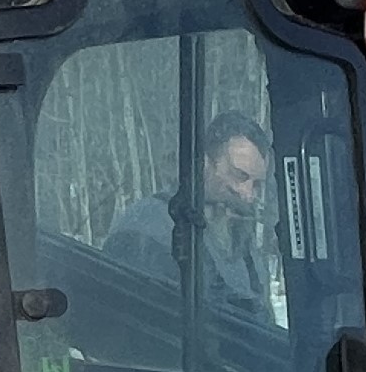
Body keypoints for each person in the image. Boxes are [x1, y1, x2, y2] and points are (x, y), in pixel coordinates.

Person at [103, 111, 275, 322]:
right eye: (239, 175)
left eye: (256, 184)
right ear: (204, 164)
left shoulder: (246, 250)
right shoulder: (147, 230)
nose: (248, 194)